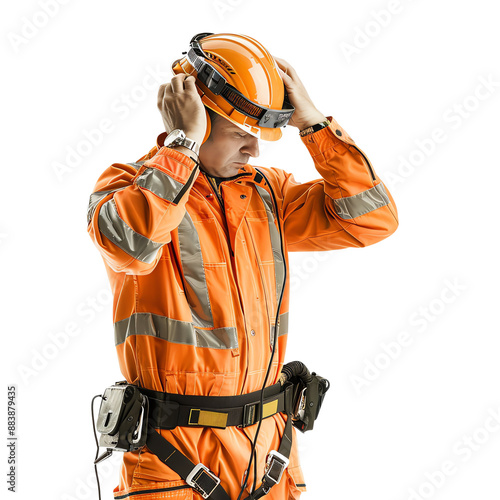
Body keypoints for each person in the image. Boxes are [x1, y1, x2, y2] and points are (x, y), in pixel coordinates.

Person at [87, 32, 398, 500]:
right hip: (174, 456)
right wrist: (180, 145)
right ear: (196, 117)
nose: (254, 150)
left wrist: (313, 124)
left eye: (259, 136)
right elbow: (130, 246)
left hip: (270, 452)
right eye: (240, 135)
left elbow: (373, 218)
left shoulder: (268, 195)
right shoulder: (128, 186)